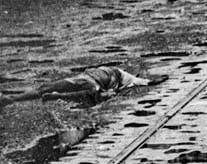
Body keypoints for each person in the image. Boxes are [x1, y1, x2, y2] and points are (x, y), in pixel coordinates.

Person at [0, 66, 166, 107]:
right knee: (92, 95)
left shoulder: (126, 77)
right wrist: (155, 81)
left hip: (86, 80)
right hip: (90, 82)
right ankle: (55, 96)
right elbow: (146, 81)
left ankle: (12, 99)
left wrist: (156, 80)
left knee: (46, 88)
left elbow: (146, 81)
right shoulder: (125, 76)